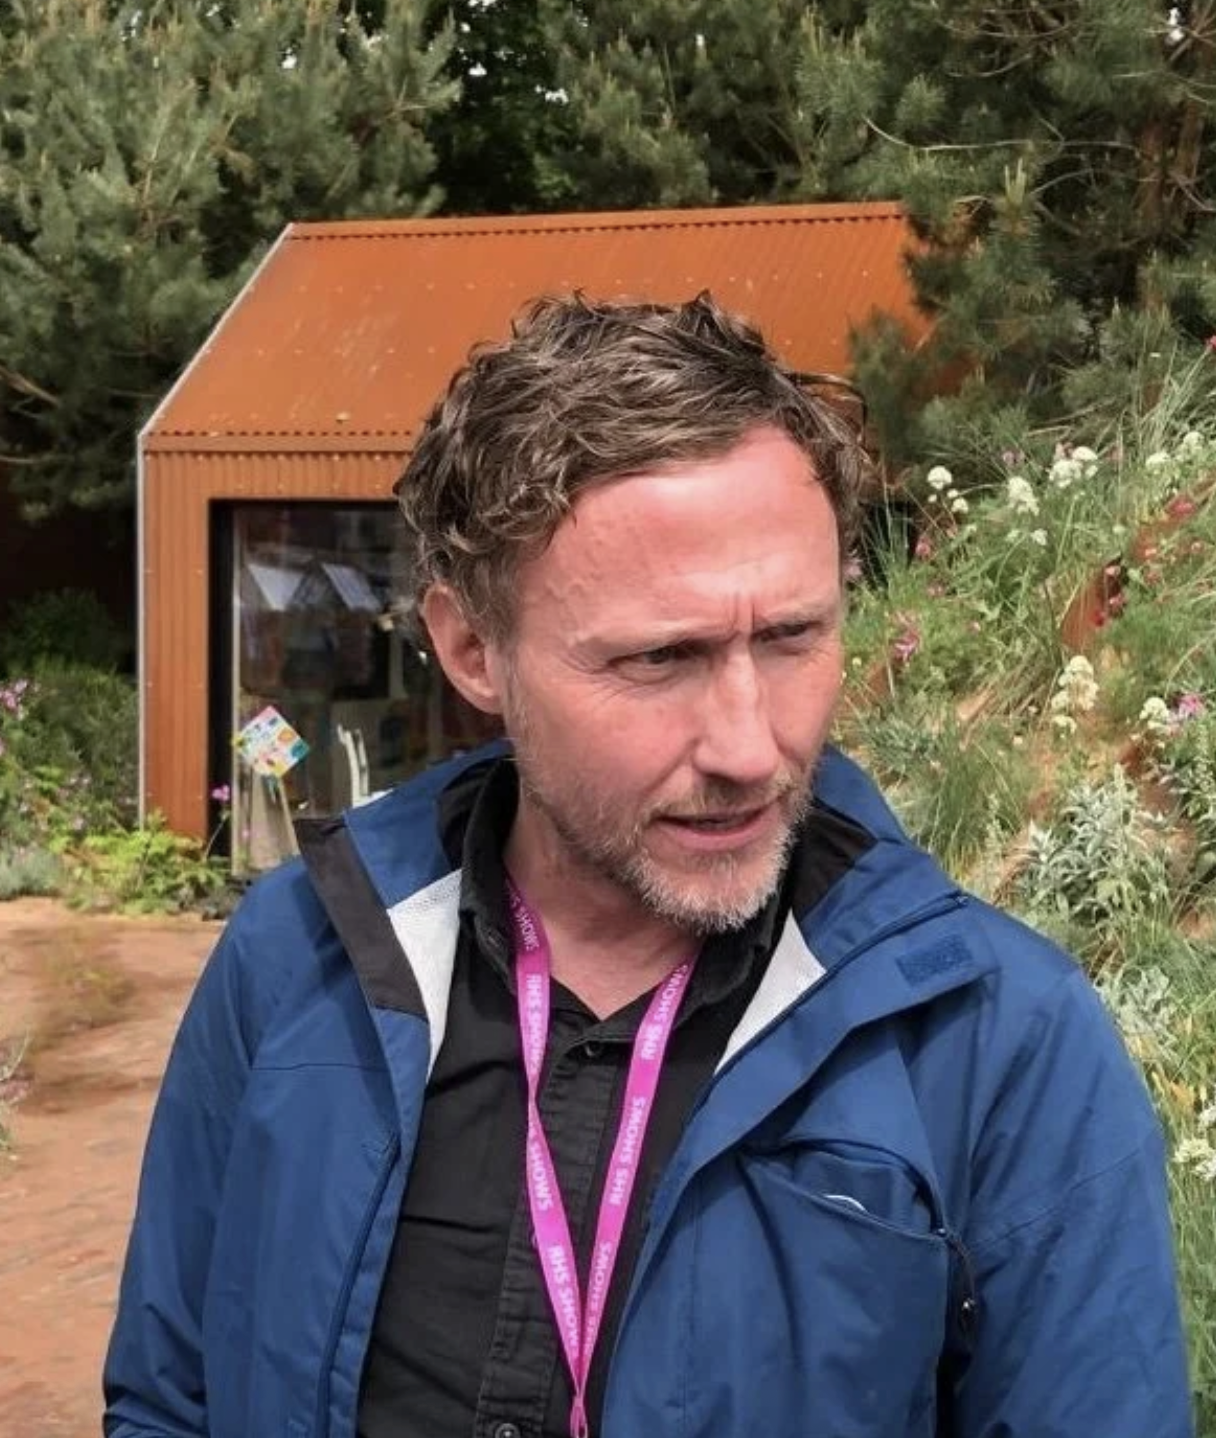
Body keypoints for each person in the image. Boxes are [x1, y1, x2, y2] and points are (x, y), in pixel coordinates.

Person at [104, 294, 1193, 1438]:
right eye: (660, 658)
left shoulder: (998, 1042)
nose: (748, 748)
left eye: (792, 637)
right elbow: (169, 1401)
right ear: (472, 648)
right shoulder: (298, 955)